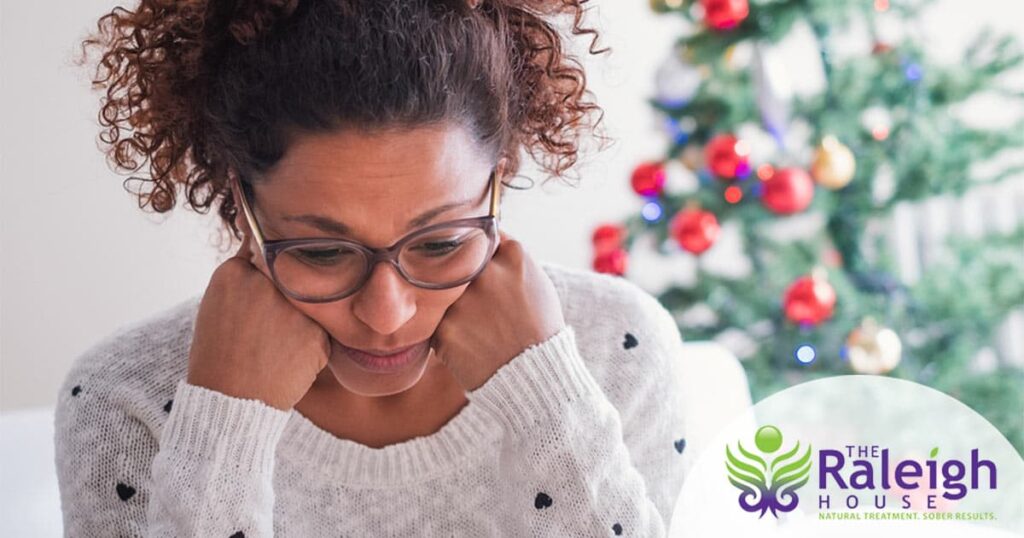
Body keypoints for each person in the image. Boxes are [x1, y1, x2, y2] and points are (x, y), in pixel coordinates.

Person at [54, 0, 692, 535]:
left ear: (498, 185)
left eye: (439, 243)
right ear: (241, 205)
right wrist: (222, 432)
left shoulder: (619, 351)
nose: (388, 313)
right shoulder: (125, 401)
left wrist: (549, 407)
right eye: (323, 253)